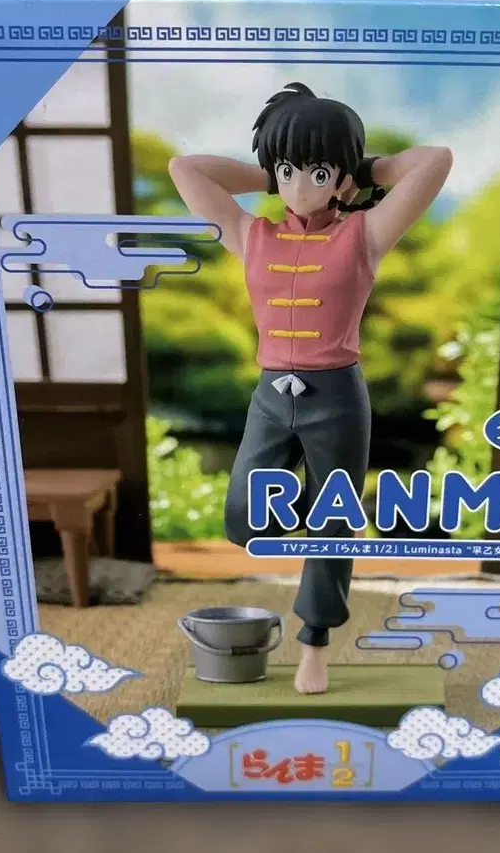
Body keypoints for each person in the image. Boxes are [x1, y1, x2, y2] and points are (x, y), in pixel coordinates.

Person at [169, 82, 453, 694]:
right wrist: (276, 166)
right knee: (243, 520)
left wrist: (356, 170)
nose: (301, 188)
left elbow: (435, 160)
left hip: (338, 398)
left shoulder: (366, 234)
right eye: (289, 174)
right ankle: (308, 521)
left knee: (334, 525)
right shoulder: (251, 235)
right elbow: (185, 169)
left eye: (317, 173)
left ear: (339, 179)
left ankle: (314, 644)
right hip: (272, 396)